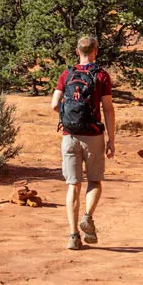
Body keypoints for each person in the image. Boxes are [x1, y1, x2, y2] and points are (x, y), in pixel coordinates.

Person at [51, 35, 115, 250]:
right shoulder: (101, 76)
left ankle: (73, 236)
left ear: (77, 51)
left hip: (69, 136)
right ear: (95, 51)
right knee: (94, 181)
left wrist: (67, 114)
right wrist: (111, 140)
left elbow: (53, 105)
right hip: (93, 135)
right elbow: (108, 108)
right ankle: (87, 216)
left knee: (73, 185)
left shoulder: (67, 74)